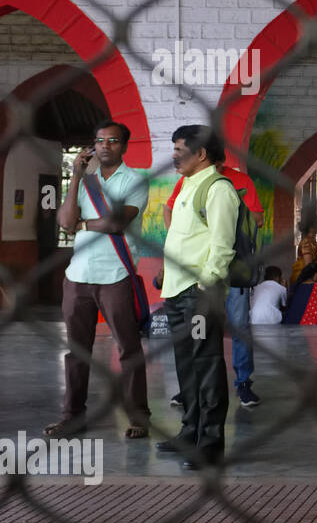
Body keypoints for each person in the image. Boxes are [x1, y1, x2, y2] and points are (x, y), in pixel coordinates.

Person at [50, 120, 150, 439]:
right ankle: (72, 416)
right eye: (99, 141)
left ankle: (139, 416)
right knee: (76, 350)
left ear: (124, 145)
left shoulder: (134, 180)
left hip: (115, 274)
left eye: (112, 141)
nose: (105, 146)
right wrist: (77, 175)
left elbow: (116, 223)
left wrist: (83, 224)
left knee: (128, 347)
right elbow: (65, 222)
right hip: (78, 275)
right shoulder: (83, 181)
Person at [155, 125, 240, 470]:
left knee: (206, 366)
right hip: (176, 291)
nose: (174, 155)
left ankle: (210, 444)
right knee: (186, 366)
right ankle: (190, 432)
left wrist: (205, 286)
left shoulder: (218, 189)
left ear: (201, 153)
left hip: (198, 295)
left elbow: (222, 246)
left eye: (179, 149)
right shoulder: (188, 185)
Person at [164, 150, 264, 407]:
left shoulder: (238, 182)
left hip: (232, 268)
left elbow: (259, 219)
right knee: (200, 331)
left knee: (239, 324)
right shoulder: (187, 180)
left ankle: (243, 382)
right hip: (199, 270)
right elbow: (169, 209)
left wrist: (227, 214)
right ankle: (194, 387)